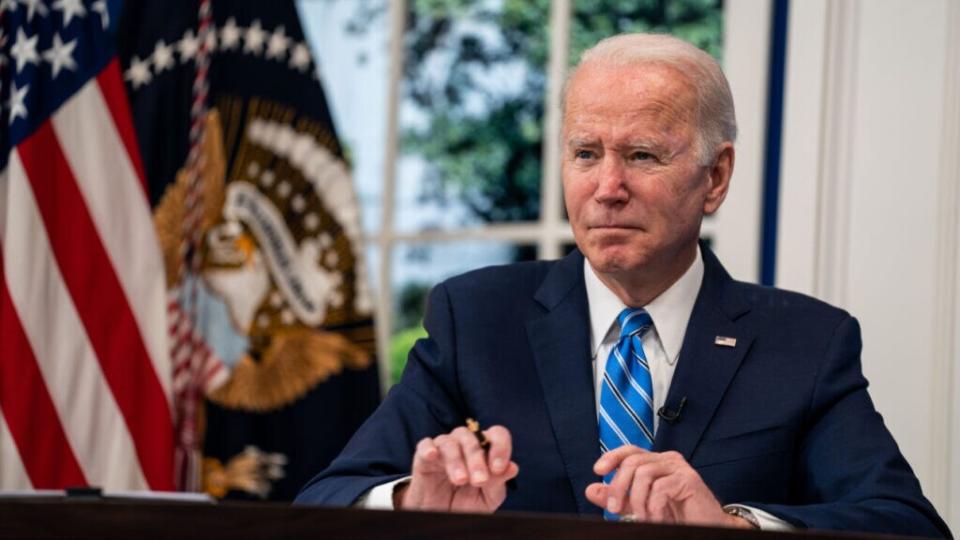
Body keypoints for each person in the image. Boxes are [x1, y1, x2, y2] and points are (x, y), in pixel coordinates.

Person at [295, 33, 951, 537]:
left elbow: (905, 523)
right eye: (586, 154)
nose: (607, 188)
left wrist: (733, 526)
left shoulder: (805, 343)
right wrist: (413, 499)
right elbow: (326, 498)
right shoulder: (476, 318)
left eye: (642, 155)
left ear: (715, 177)